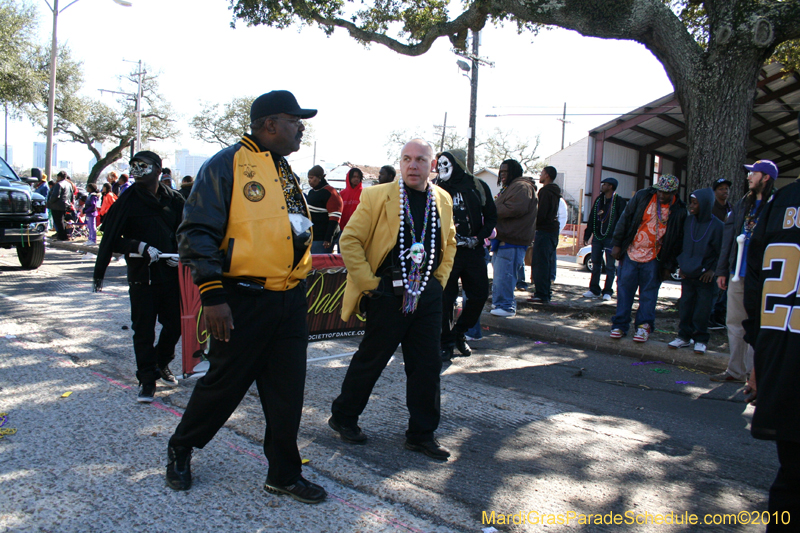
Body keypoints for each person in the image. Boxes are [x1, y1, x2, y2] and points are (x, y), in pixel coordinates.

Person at [165, 90, 326, 504]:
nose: (301, 129)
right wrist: (212, 295)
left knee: (287, 392)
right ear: (270, 124)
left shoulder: (284, 168)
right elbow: (197, 231)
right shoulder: (227, 164)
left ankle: (284, 474)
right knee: (224, 385)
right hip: (243, 299)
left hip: (289, 298)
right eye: (294, 121)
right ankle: (181, 446)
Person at [329, 139, 456, 460]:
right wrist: (370, 284)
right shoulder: (378, 196)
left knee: (427, 365)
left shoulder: (442, 198)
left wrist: (438, 282)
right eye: (407, 159)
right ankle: (344, 417)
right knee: (372, 359)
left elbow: (450, 241)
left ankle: (422, 434)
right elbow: (350, 239)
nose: (413, 165)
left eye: (421, 159)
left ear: (432, 165)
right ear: (400, 163)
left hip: (427, 293)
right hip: (387, 292)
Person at [93, 150, 184, 404]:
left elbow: (187, 231)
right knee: (143, 330)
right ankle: (146, 379)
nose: (137, 171)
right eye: (134, 167)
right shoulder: (127, 201)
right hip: (142, 277)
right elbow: (112, 239)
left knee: (175, 325)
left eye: (143, 166)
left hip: (170, 275)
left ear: (158, 169)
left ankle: (160, 363)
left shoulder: (175, 200)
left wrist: (181, 252)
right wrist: (139, 246)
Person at [740, 177, 800, 529]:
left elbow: (755, 287)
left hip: (782, 357)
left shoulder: (780, 203)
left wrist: (759, 361)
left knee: (790, 481)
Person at [712, 159, 779, 383]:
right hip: (736, 273)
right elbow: (729, 238)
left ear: (766, 177)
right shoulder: (743, 203)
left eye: (753, 173)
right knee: (734, 322)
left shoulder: (777, 204)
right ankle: (735, 371)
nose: (749, 177)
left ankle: (753, 374)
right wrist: (723, 270)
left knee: (756, 324)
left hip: (761, 277)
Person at [609, 174, 686, 342]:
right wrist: (617, 243)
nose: (662, 195)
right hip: (631, 251)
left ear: (674, 192)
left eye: (666, 193)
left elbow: (677, 241)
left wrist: (669, 266)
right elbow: (626, 217)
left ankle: (644, 327)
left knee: (649, 294)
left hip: (655, 257)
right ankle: (620, 325)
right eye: (660, 191)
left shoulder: (679, 210)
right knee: (624, 291)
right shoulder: (643, 196)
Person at [436, 149, 496, 361]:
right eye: (439, 164)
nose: (441, 168)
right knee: (445, 299)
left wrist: (477, 238)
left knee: (479, 294)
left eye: (446, 164)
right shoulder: (436, 188)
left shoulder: (478, 186)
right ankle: (446, 342)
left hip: (473, 251)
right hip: (447, 253)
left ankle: (459, 333)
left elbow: (491, 217)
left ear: (458, 164)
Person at [668, 188, 723, 354]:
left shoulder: (717, 226)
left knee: (702, 310)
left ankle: (700, 339)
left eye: (695, 203)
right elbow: (681, 244)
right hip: (688, 273)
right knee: (686, 307)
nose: (691, 206)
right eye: (690, 203)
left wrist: (712, 270)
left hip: (705, 276)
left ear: (705, 204)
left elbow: (722, 252)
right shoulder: (688, 221)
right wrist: (680, 265)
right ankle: (684, 336)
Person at [490, 159, 537, 318]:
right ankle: (500, 303)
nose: (502, 175)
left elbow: (514, 208)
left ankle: (506, 306)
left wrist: (490, 210)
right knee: (500, 276)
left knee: (505, 276)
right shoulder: (512, 187)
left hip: (512, 241)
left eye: (505, 171)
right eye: (501, 172)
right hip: (505, 239)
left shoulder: (521, 187)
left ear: (514, 172)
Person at [583, 177, 627, 300]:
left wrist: (619, 240)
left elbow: (623, 221)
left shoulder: (619, 202)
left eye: (605, 184)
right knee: (596, 263)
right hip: (598, 236)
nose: (602, 186)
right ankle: (594, 290)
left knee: (610, 266)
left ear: (611, 187)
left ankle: (608, 291)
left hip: (611, 239)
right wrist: (587, 234)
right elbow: (592, 217)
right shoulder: (599, 201)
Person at [528, 166, 561, 304]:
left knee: (540, 263)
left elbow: (541, 213)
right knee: (546, 263)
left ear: (547, 175)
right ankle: (545, 292)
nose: (540, 176)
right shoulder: (555, 191)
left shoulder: (545, 191)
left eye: (542, 173)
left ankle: (541, 293)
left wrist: (533, 224)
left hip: (544, 231)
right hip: (552, 231)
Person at [709, 177, 733, 329]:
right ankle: (710, 315)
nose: (725, 191)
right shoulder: (711, 208)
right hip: (713, 252)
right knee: (714, 286)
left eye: (726, 189)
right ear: (715, 192)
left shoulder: (731, 208)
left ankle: (720, 313)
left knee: (726, 285)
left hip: (728, 251)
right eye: (721, 189)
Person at [306, 165, 343, 254]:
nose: (309, 181)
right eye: (309, 178)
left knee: (320, 261)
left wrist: (328, 238)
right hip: (312, 236)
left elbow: (335, 218)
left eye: (311, 178)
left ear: (319, 178)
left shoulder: (330, 192)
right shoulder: (312, 192)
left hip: (323, 238)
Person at [46, 171, 74, 241]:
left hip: (57, 205)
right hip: (65, 204)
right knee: (62, 220)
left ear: (59, 177)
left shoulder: (59, 184)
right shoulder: (69, 184)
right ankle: (63, 235)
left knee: (58, 221)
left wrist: (49, 202)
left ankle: (62, 236)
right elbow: (71, 195)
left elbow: (55, 196)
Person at [550, 196, 568, 282]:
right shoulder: (542, 197)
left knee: (552, 255)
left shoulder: (559, 201)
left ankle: (551, 277)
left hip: (553, 231)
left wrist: (557, 230)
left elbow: (563, 217)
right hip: (541, 231)